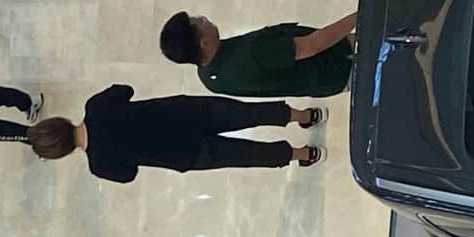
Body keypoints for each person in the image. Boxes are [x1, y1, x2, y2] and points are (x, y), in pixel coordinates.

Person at [27, 84, 326, 180]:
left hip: (186, 154)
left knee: (245, 155)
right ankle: (305, 115)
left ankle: (303, 153)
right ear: (58, 121)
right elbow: (125, 90)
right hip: (186, 113)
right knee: (246, 114)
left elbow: (129, 174)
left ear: (62, 153)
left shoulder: (100, 165)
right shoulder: (95, 107)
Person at [160, 10, 359, 99]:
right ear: (203, 43)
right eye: (199, 21)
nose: (204, 19)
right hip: (341, 61)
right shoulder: (253, 52)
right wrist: (360, 16)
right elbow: (313, 45)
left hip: (327, 83)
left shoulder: (209, 78)